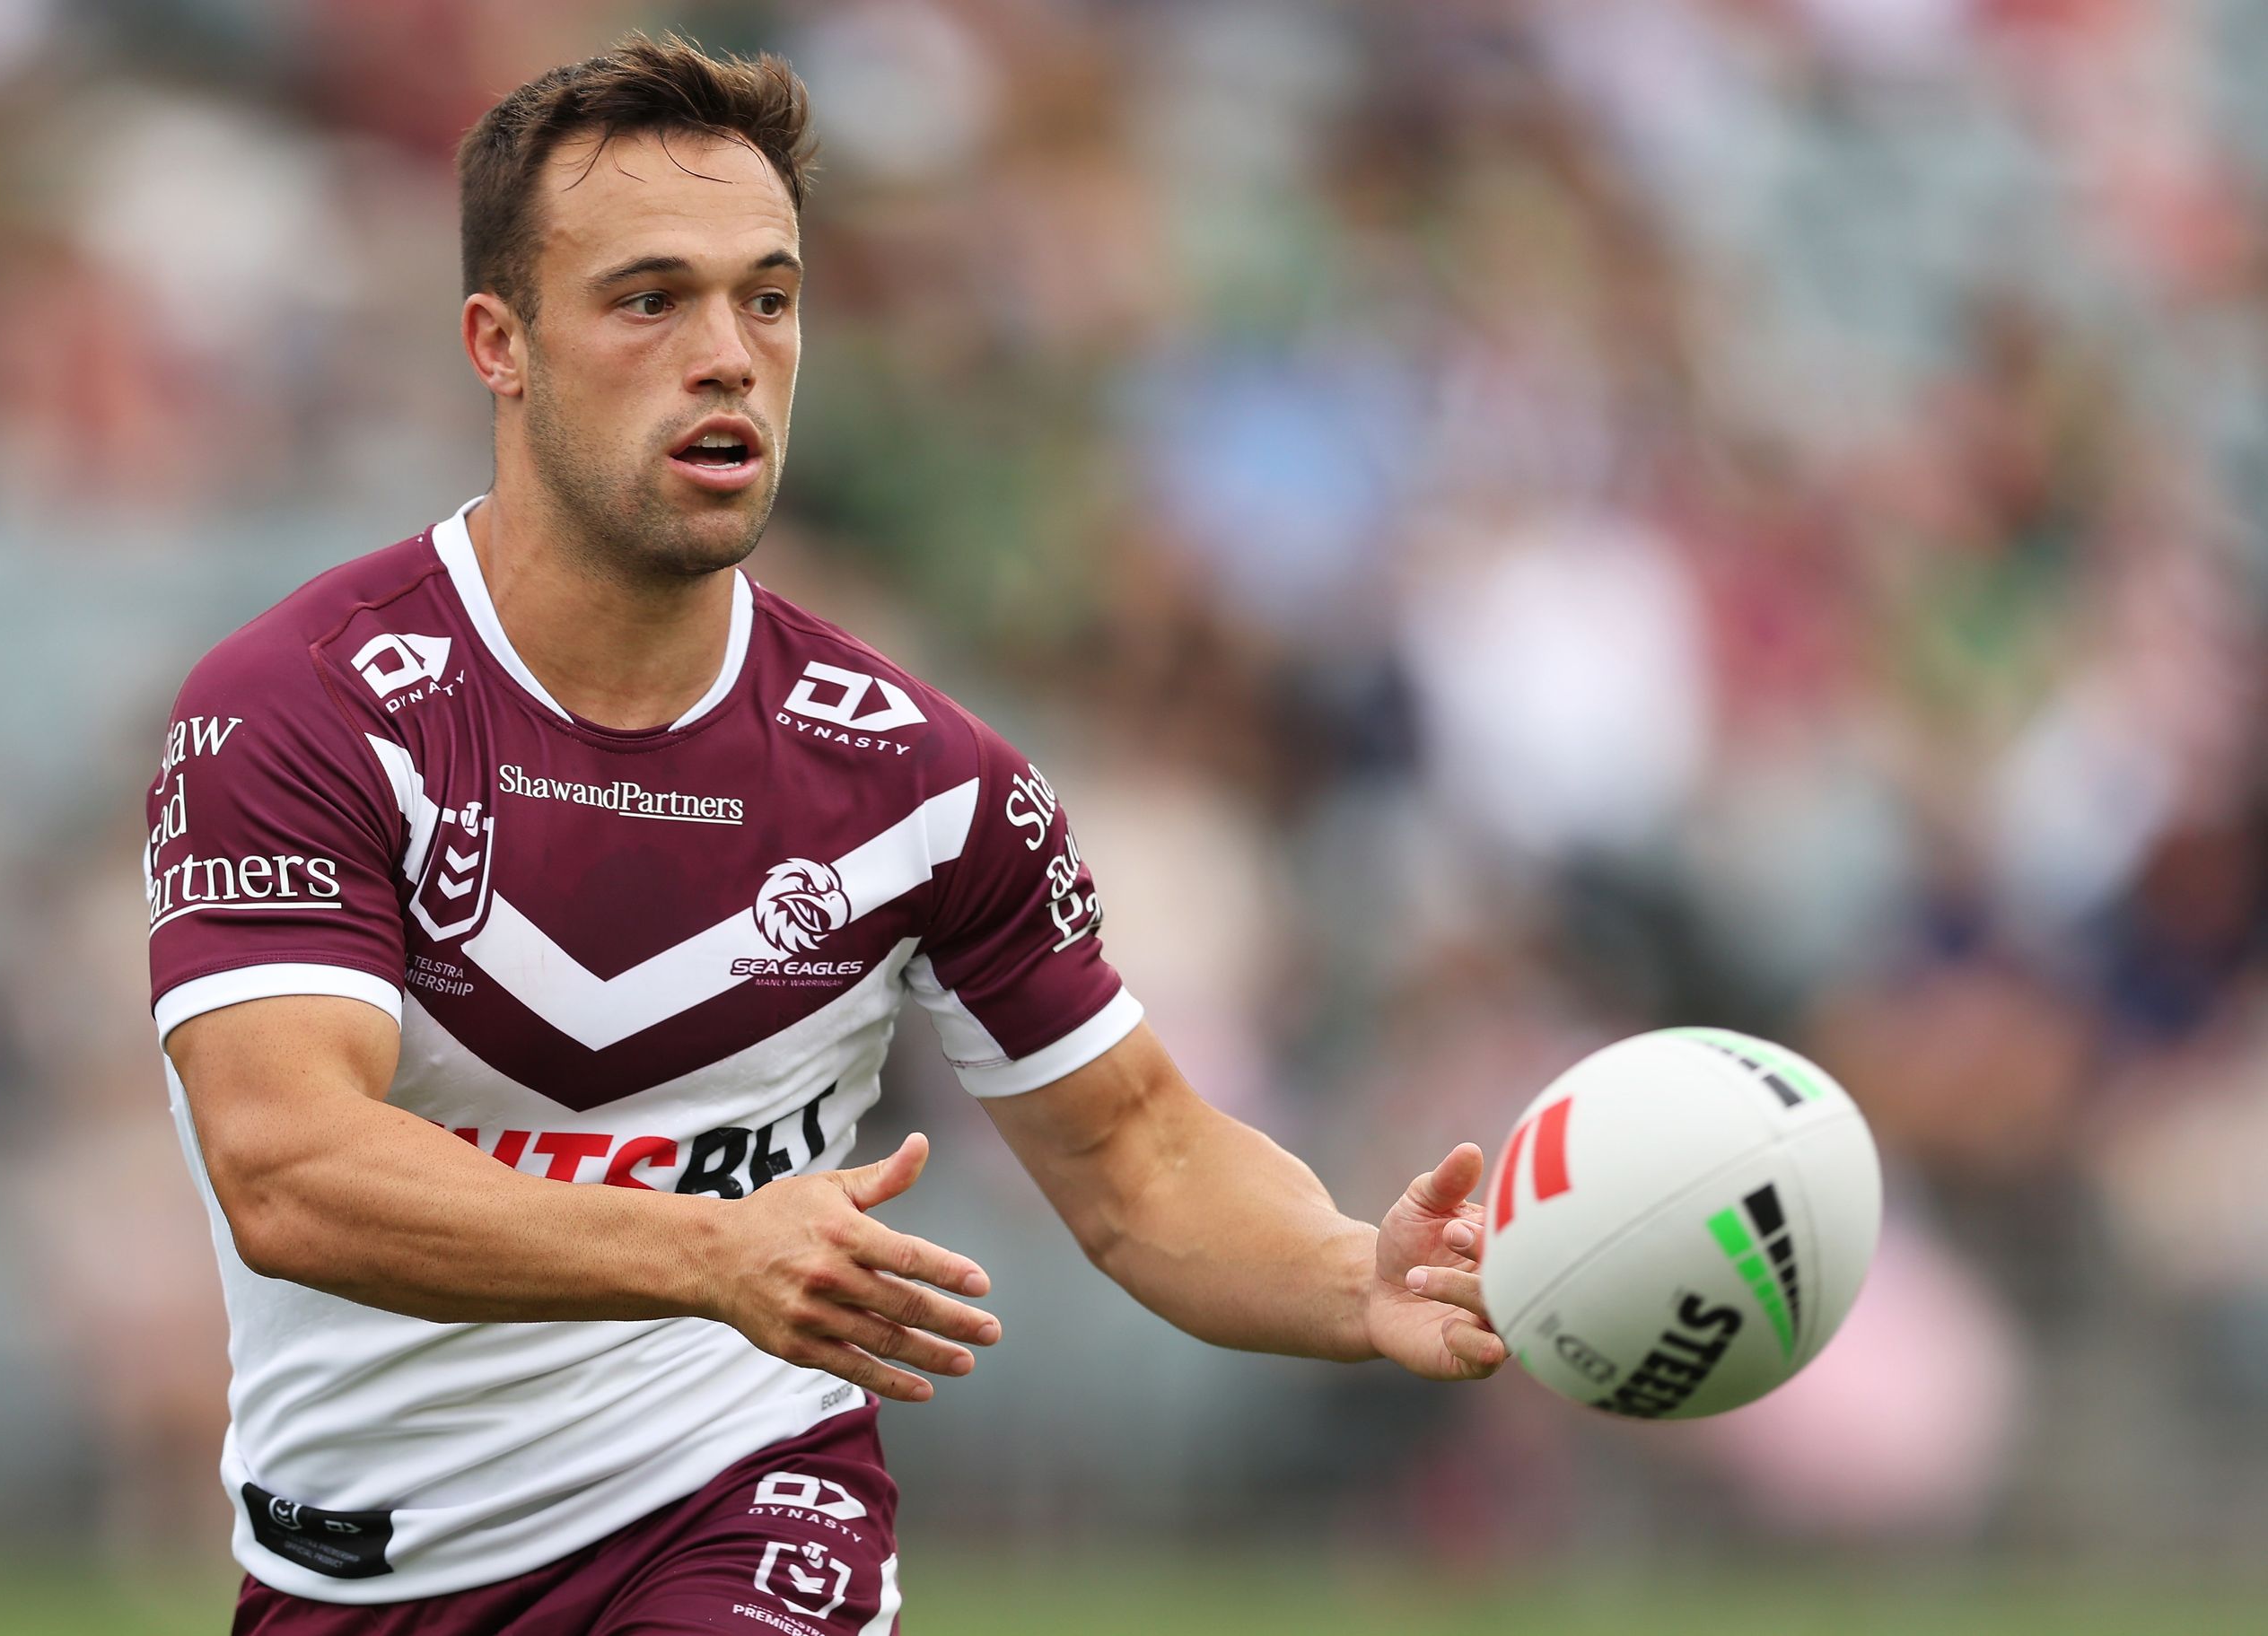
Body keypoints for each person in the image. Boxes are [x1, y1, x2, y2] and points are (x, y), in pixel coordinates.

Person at [144, 35, 1503, 1635]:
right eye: (650, 299)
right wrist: (707, 1251)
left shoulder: (925, 782)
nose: (727, 354)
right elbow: (289, 1169)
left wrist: (1357, 1276)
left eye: (769, 298)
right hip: (358, 1576)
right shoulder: (303, 710)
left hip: (746, 1502)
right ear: (497, 344)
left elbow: (1142, 1162)